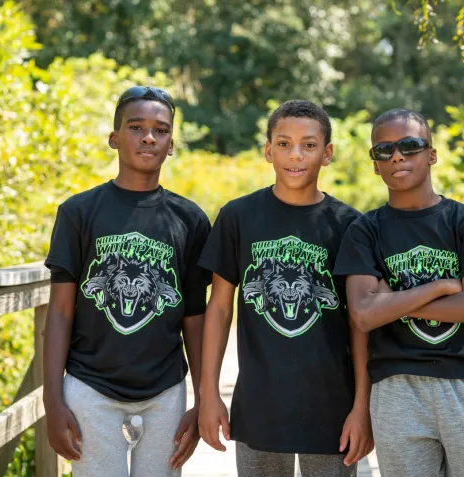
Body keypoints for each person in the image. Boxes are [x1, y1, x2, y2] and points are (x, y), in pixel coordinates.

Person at [197, 100, 373, 477]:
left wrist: (362, 405)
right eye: (283, 143)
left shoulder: (349, 225)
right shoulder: (238, 217)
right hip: (259, 408)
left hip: (333, 411)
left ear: (327, 154)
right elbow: (220, 309)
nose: (295, 155)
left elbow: (361, 323)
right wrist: (208, 393)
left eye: (309, 145)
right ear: (267, 150)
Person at [42, 86, 211, 476]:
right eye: (136, 127)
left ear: (171, 144)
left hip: (165, 391)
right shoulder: (78, 213)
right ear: (114, 138)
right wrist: (53, 401)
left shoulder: (190, 220)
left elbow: (194, 316)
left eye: (161, 130)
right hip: (89, 387)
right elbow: (61, 313)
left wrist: (202, 400)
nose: (149, 136)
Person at [334, 108, 464, 477]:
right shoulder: (365, 231)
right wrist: (442, 287)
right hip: (397, 391)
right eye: (384, 150)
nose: (397, 156)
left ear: (431, 154)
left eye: (410, 146)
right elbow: (364, 315)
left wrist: (391, 302)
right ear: (375, 165)